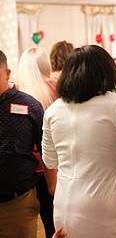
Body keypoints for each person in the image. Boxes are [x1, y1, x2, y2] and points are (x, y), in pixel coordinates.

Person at [41, 45, 116, 238]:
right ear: (107, 72)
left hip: (64, 202)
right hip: (103, 203)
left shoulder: (54, 110)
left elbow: (50, 161)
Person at [0, 50, 43, 237]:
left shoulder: (29, 105)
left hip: (17, 202)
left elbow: (46, 150)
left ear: (7, 73)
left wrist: (53, 187)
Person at [18, 46, 58, 238]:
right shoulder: (56, 89)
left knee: (25, 226)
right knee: (53, 224)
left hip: (27, 169)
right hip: (53, 166)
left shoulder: (17, 93)